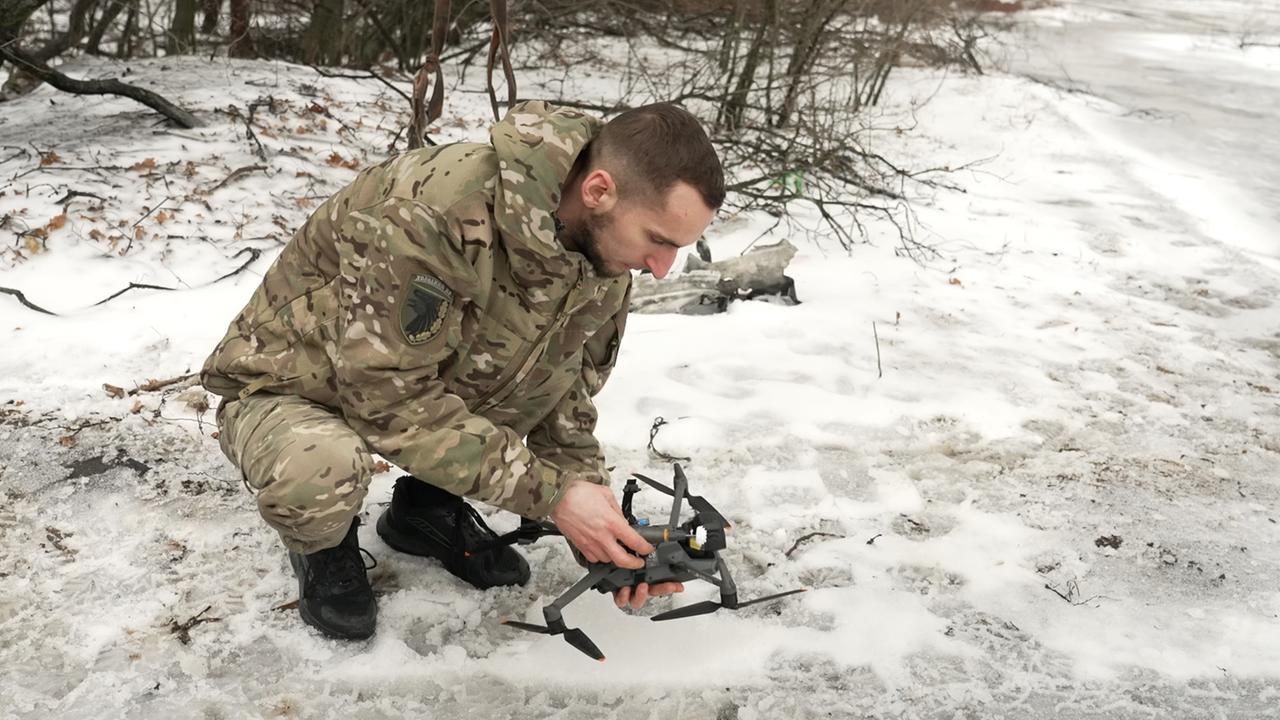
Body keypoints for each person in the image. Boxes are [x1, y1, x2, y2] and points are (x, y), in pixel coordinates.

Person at [200, 100, 725, 639]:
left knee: (524, 368)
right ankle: (324, 547)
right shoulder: (436, 211)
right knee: (321, 470)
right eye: (658, 240)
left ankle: (425, 508)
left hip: (407, 380)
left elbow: (562, 393)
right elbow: (386, 401)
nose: (663, 269)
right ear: (597, 191)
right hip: (293, 386)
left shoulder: (601, 253)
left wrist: (603, 531)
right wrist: (555, 497)